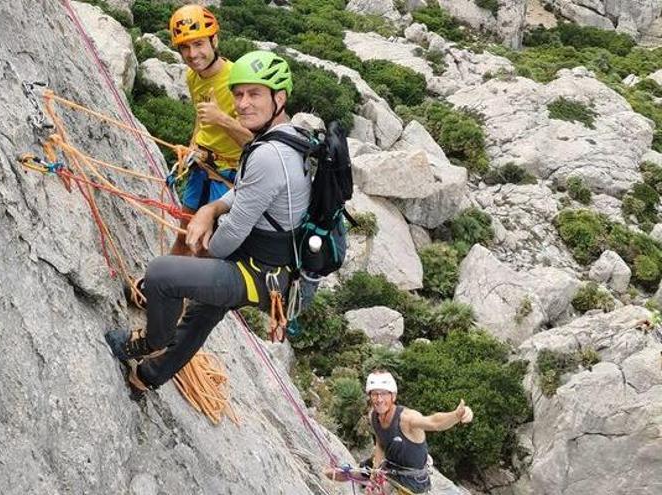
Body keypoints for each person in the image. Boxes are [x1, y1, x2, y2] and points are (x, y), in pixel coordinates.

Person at [106, 51, 309, 390]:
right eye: (238, 94)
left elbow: (229, 237)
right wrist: (209, 210)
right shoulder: (288, 138)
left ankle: (152, 341)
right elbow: (245, 192)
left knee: (162, 274)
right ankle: (147, 377)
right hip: (275, 268)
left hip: (257, 273)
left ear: (280, 98)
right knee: (204, 311)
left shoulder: (269, 156)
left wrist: (199, 249)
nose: (242, 104)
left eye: (254, 94)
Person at [167, 4, 253, 255]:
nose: (193, 54)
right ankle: (165, 289)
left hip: (229, 176)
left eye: (199, 44)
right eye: (185, 47)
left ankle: (195, 293)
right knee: (184, 236)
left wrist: (221, 120)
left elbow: (256, 144)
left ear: (214, 40)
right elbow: (201, 118)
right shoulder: (193, 77)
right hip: (202, 166)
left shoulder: (238, 81)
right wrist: (194, 145)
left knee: (207, 247)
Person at [324, 371, 474, 494]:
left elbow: (434, 422)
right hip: (389, 465)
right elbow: (381, 443)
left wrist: (456, 415)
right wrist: (376, 468)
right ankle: (319, 471)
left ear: (393, 396)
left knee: (376, 492)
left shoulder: (407, 419)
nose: (379, 399)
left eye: (384, 394)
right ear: (369, 396)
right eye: (375, 394)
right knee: (337, 473)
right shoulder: (373, 416)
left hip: (412, 480)